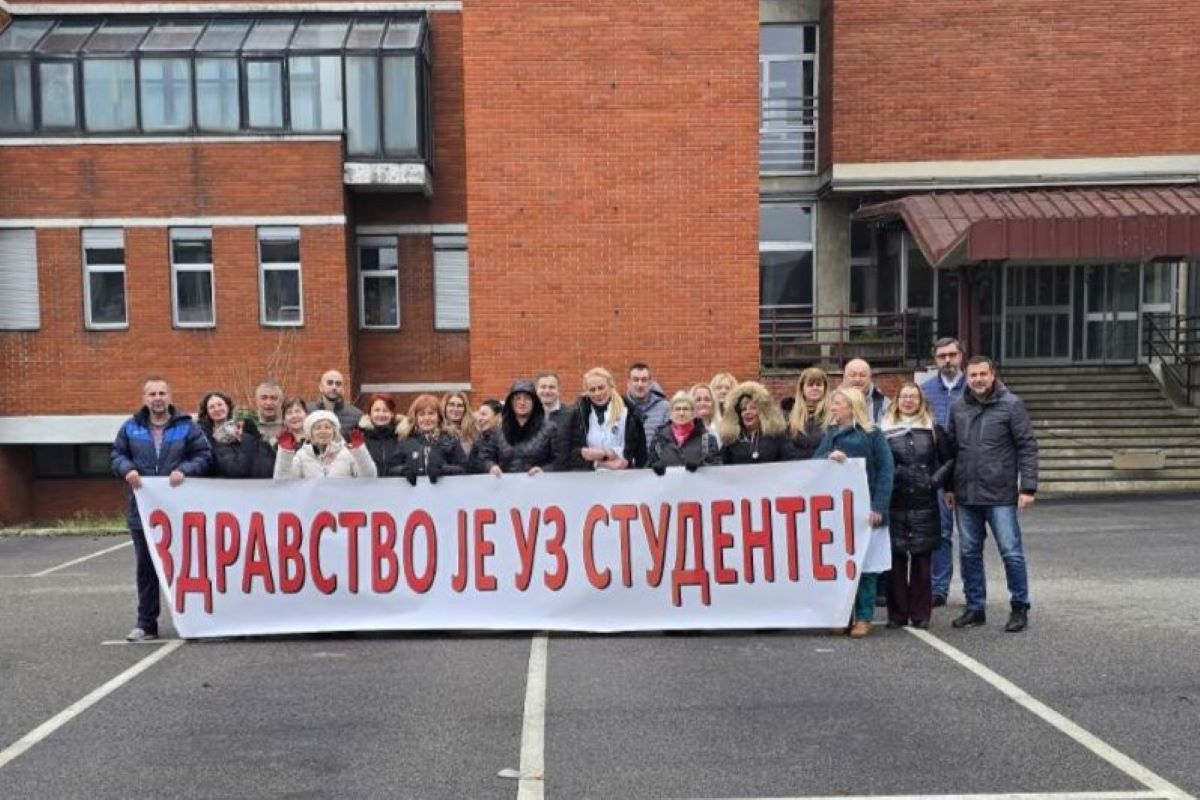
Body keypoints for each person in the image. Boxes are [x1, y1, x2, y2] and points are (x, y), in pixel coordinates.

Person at [111, 378, 212, 642]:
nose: (157, 397)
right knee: (147, 569)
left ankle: (194, 622)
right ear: (145, 397)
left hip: (179, 512)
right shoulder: (131, 427)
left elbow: (203, 455)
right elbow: (116, 455)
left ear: (170, 396)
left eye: (162, 393)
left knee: (186, 567)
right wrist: (127, 469)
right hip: (143, 512)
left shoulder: (186, 427)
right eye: (152, 393)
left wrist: (185, 470)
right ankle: (146, 624)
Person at [945, 356, 1038, 633]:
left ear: (993, 374)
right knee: (969, 553)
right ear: (967, 377)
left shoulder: (1011, 405)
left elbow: (1027, 447)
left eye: (983, 374)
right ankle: (975, 607)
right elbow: (951, 451)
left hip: (1000, 495)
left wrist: (1028, 487)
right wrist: (949, 487)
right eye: (973, 375)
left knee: (1011, 553)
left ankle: (1019, 607)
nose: (978, 380)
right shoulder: (958, 407)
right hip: (966, 495)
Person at [814, 386, 894, 638]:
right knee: (841, 568)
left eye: (837, 403)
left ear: (851, 406)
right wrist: (829, 456)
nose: (833, 408)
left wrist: (879, 506)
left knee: (866, 569)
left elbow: (885, 471)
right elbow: (814, 463)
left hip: (866, 513)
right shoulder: (831, 434)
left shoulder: (872, 434)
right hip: (839, 515)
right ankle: (841, 615)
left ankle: (863, 617)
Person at [881, 383, 952, 630]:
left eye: (913, 396)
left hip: (924, 502)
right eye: (904, 396)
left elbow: (949, 460)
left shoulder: (933, 429)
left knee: (922, 561)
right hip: (895, 500)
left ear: (920, 401)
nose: (909, 401)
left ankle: (921, 614)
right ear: (896, 400)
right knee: (897, 560)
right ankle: (897, 614)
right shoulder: (884, 430)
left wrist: (935, 481)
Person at [921, 337, 968, 608]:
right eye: (942, 356)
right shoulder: (925, 391)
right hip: (939, 472)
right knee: (941, 533)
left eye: (952, 355)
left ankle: (975, 591)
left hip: (970, 471)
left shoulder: (974, 387)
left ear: (961, 356)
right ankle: (939, 589)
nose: (947, 360)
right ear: (935, 360)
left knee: (972, 538)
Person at [559, 367, 647, 471]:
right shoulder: (577, 415)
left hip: (623, 477)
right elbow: (571, 452)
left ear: (610, 386)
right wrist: (600, 463)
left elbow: (638, 453)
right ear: (586, 391)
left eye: (601, 388)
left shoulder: (630, 414)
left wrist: (607, 454)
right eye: (592, 390)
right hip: (589, 478)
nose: (597, 393)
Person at [478, 380, 560, 475]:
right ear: (511, 402)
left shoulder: (549, 429)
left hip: (538, 485)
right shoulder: (499, 431)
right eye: (518, 398)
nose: (522, 402)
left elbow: (559, 460)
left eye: (527, 398)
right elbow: (485, 457)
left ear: (534, 402)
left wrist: (544, 470)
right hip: (507, 485)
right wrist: (491, 466)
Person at [386, 394, 469, 484]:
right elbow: (391, 469)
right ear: (416, 418)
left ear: (439, 417)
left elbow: (464, 468)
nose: (427, 418)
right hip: (413, 495)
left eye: (431, 414)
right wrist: (403, 470)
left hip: (444, 494)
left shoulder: (450, 440)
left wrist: (442, 469)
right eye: (422, 414)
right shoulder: (405, 441)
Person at [274, 410, 375, 479]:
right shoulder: (302, 456)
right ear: (310, 433)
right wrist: (285, 453)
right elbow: (283, 482)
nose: (323, 431)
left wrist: (360, 452)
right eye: (317, 428)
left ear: (334, 431)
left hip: (342, 506)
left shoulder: (346, 453)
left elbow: (369, 478)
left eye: (327, 427)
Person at [649, 391, 721, 473]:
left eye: (686, 409)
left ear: (693, 413)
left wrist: (701, 466)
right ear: (671, 413)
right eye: (677, 409)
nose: (681, 413)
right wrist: (654, 466)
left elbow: (716, 469)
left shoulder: (706, 439)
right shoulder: (658, 439)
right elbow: (648, 465)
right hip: (667, 484)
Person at [718, 382, 790, 464]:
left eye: (753, 408)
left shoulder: (776, 436)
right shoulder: (732, 441)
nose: (748, 412)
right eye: (743, 409)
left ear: (762, 412)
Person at [197, 390, 263, 478]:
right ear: (207, 412)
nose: (217, 409)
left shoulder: (246, 427)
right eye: (211, 407)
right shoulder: (204, 436)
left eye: (220, 404)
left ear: (227, 406)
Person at [787, 367, 832, 460]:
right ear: (802, 388)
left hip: (825, 469)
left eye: (819, 385)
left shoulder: (834, 414)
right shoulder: (788, 415)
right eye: (810, 385)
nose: (815, 388)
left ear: (825, 388)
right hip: (797, 469)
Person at [358, 393, 407, 476]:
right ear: (370, 414)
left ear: (392, 414)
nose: (381, 414)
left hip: (396, 487)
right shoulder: (360, 438)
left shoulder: (403, 437)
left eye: (385, 410)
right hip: (367, 487)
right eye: (376, 410)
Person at [626, 362, 669, 451]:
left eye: (644, 380)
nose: (640, 384)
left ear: (650, 383)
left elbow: (669, 440)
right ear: (628, 383)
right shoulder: (620, 407)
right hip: (628, 463)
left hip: (656, 463)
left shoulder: (665, 408)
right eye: (635, 380)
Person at [842, 358, 890, 425]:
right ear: (844, 377)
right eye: (852, 375)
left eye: (863, 375)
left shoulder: (884, 404)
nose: (857, 379)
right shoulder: (831, 403)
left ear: (870, 378)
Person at [468, 399, 504, 473]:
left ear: (498, 417)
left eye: (484, 414)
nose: (479, 419)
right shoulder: (478, 440)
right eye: (479, 415)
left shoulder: (506, 440)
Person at [441, 391, 478, 456]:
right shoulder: (438, 430)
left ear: (465, 409)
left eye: (460, 406)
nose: (456, 409)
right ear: (445, 407)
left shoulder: (473, 431)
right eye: (451, 405)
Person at [688, 382, 722, 450]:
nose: (703, 403)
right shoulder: (683, 431)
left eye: (707, 400)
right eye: (698, 400)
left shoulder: (723, 429)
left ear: (713, 404)